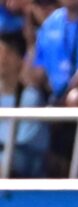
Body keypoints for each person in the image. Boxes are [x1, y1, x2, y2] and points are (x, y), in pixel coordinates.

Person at [0, 31, 49, 177]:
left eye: (8, 53)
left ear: (20, 60)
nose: (2, 59)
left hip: (23, 158)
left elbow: (26, 142)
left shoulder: (30, 97)